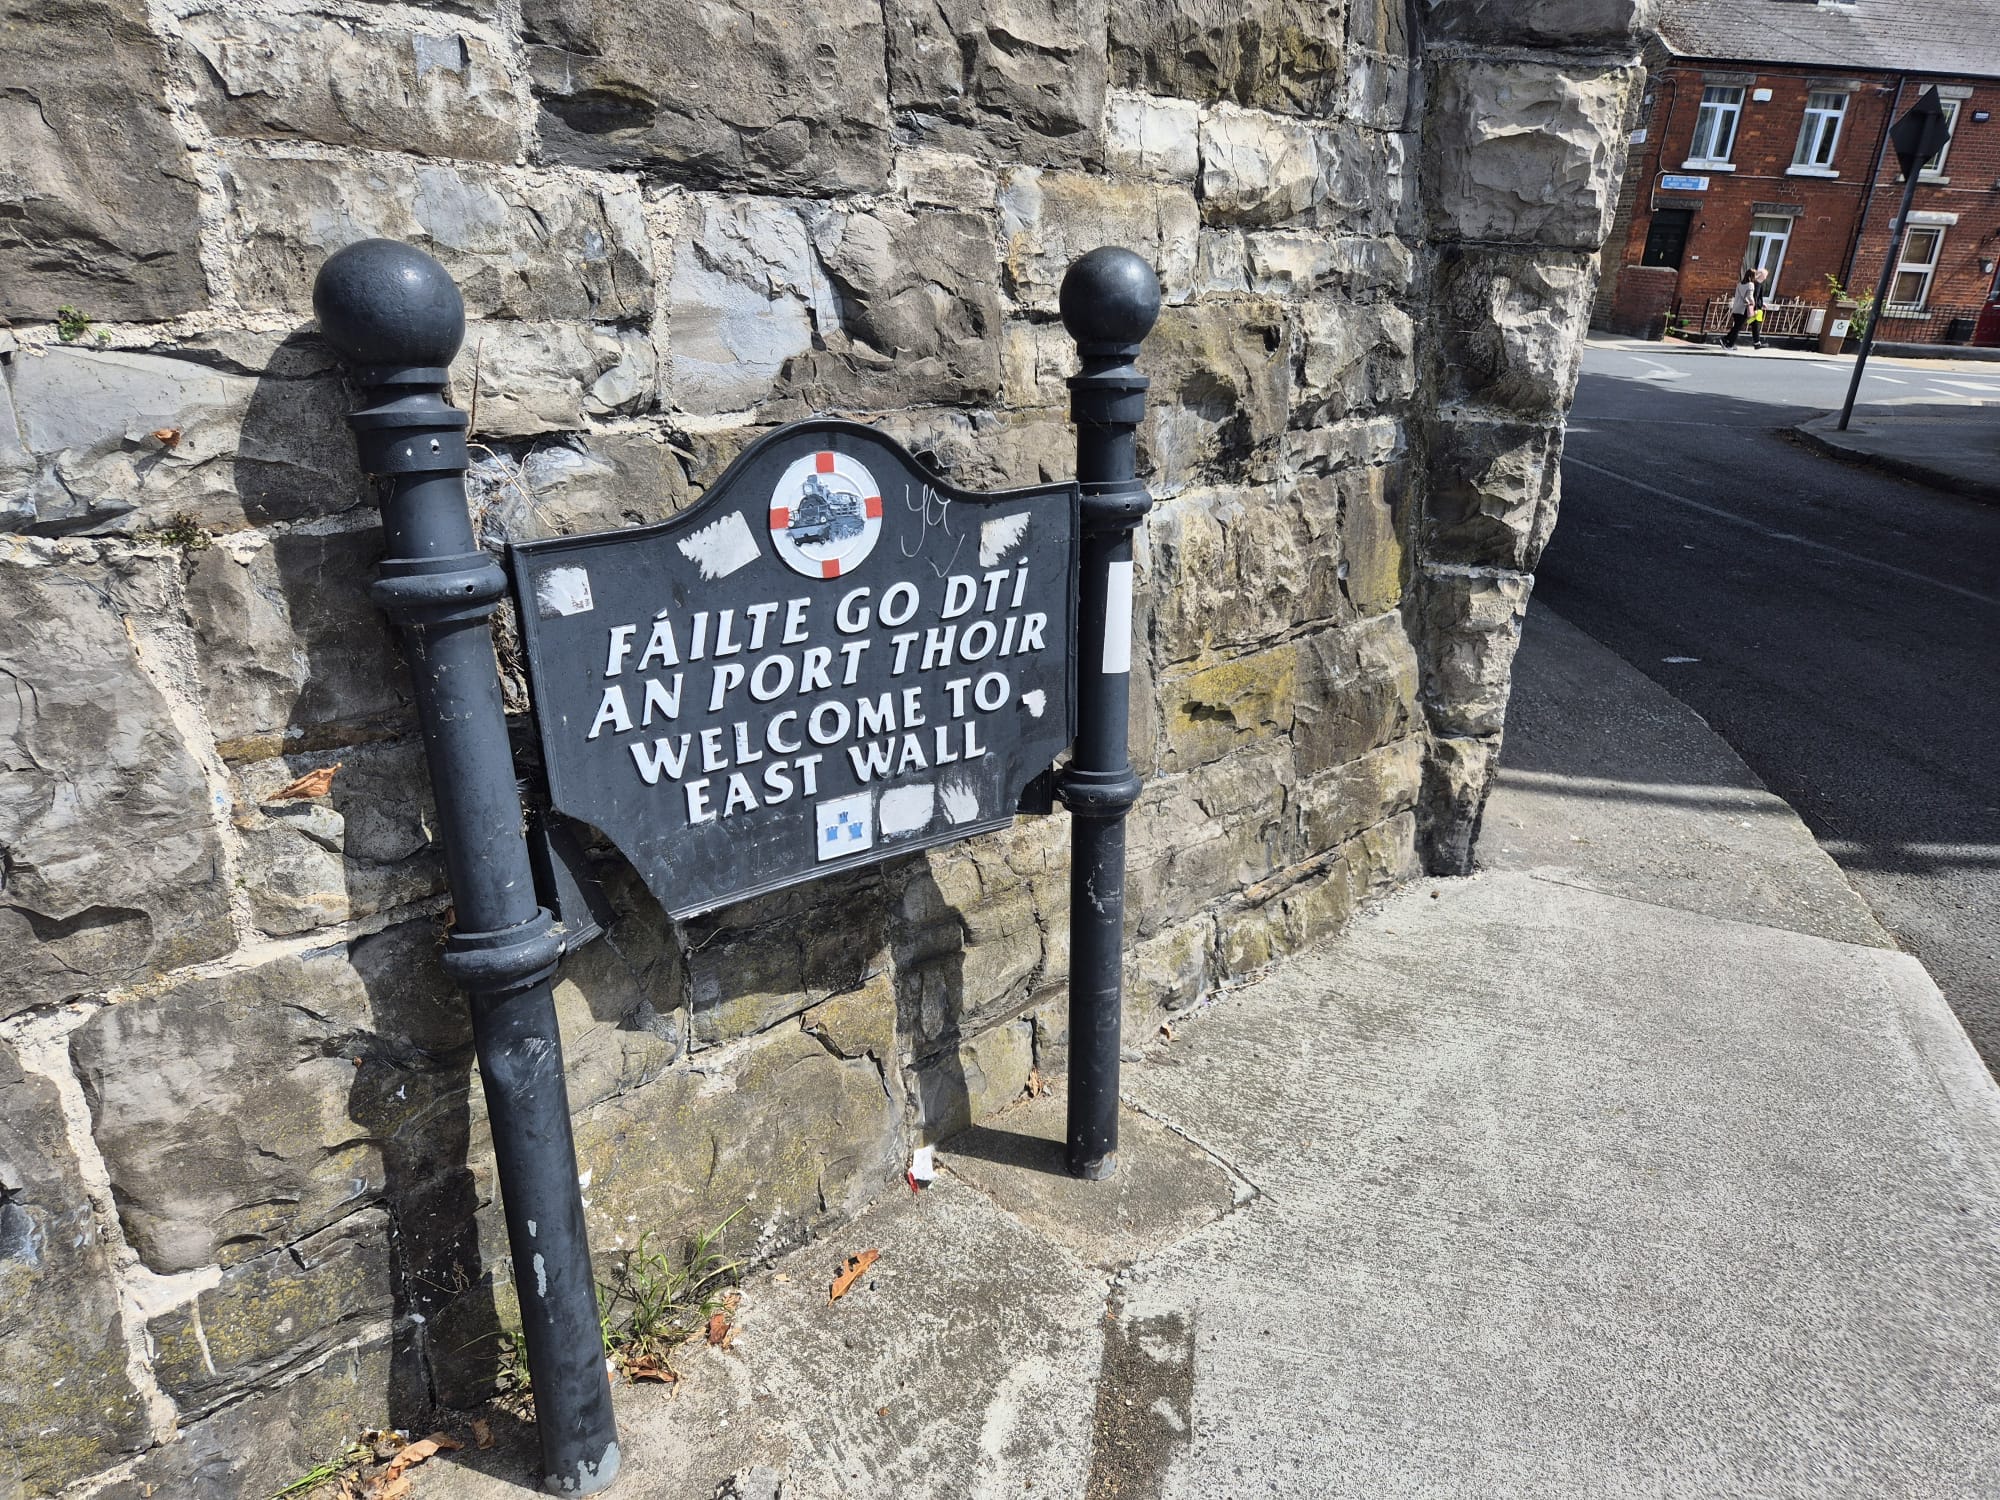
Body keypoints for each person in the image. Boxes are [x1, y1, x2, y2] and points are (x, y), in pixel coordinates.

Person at [1723, 267, 1769, 350]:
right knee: (1738, 328)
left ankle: (1726, 340)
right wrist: (1754, 308)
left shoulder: (1740, 284)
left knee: (1737, 327)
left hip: (1737, 307)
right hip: (1744, 309)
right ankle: (1729, 344)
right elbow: (1751, 297)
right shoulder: (1751, 285)